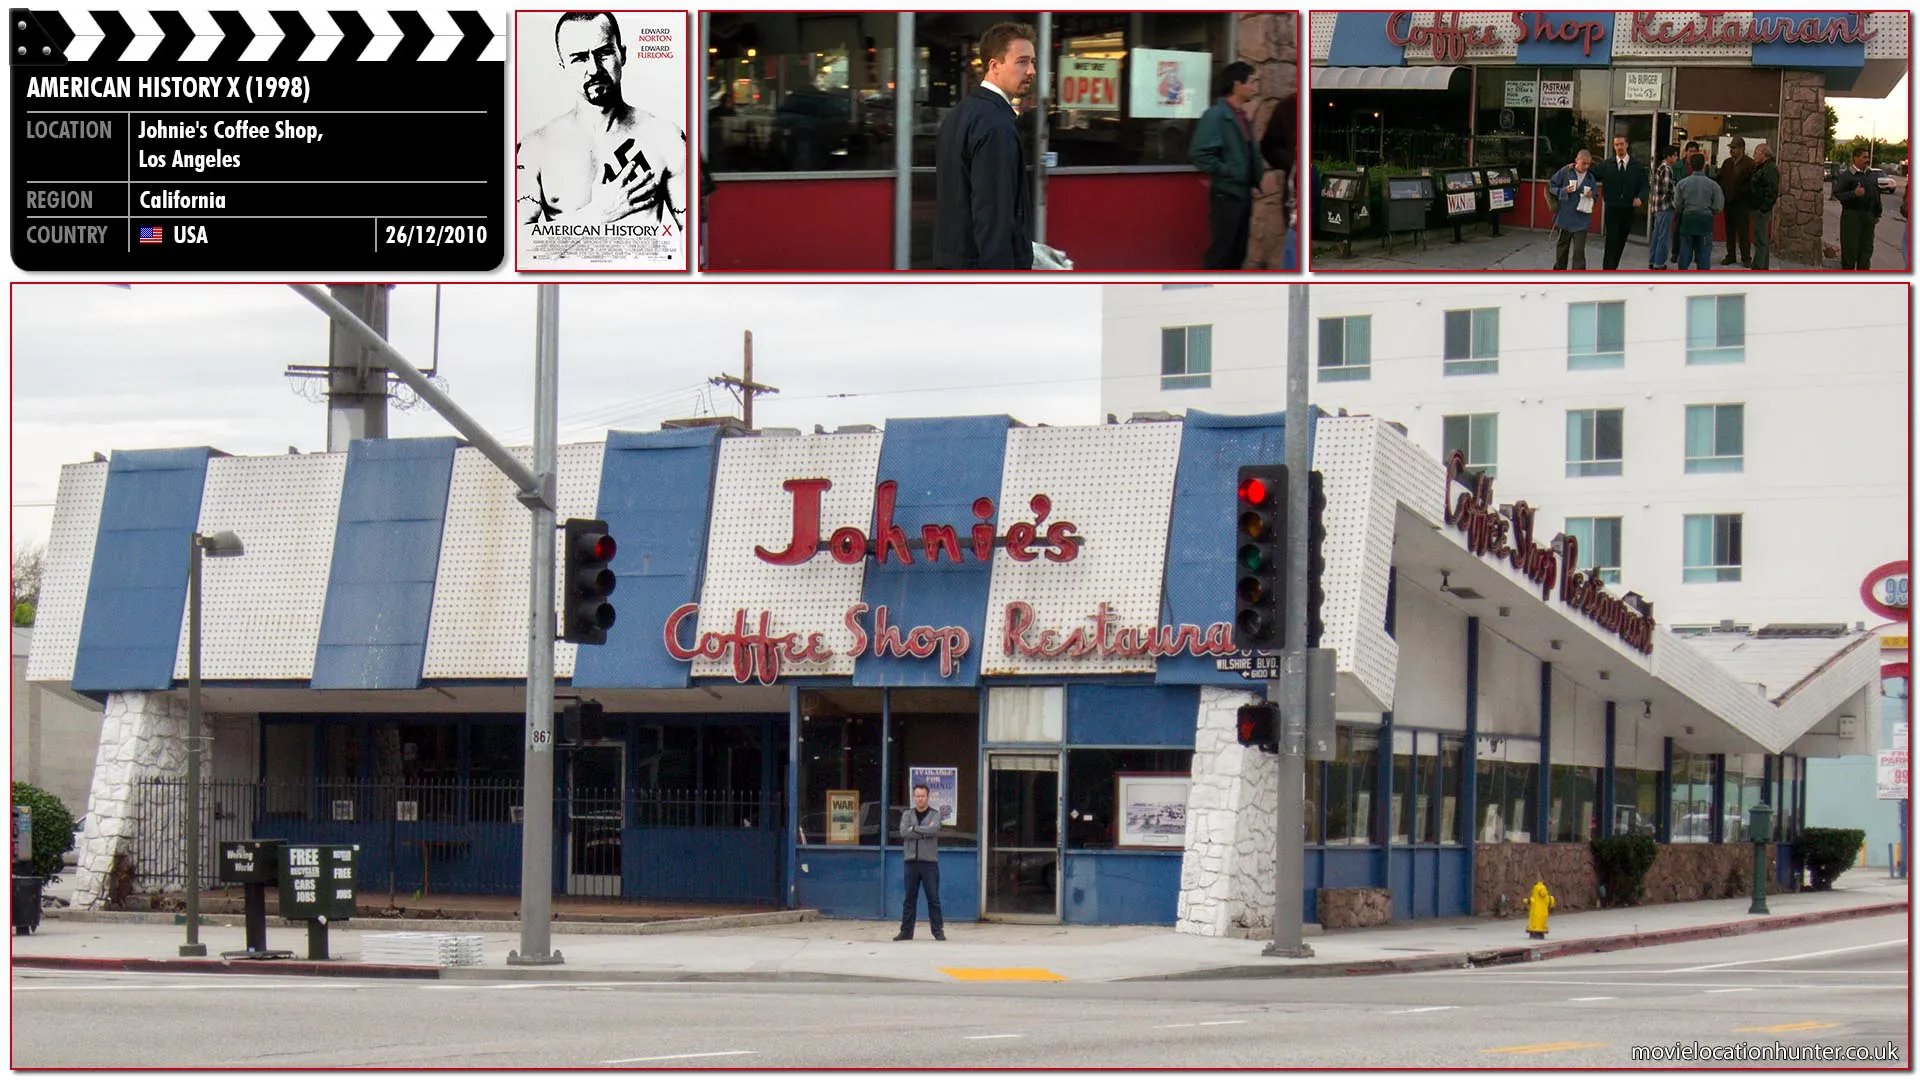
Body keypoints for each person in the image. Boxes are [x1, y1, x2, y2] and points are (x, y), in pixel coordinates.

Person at [517, 11, 686, 231]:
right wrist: (597, 215)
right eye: (579, 58)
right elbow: (517, 245)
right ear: (562, 66)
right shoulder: (536, 147)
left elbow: (692, 240)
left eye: (604, 53)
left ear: (622, 55)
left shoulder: (665, 138)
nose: (593, 69)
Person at [932, 22, 1037, 271]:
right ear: (994, 66)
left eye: (1033, 62)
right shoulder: (995, 125)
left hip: (953, 261)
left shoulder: (961, 113)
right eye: (1022, 61)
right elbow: (993, 215)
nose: (1032, 70)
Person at [1190, 61, 1263, 271]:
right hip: (1227, 194)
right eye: (1251, 82)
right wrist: (1228, 171)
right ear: (1236, 85)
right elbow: (1199, 154)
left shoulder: (1241, 116)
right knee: (1220, 254)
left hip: (1243, 193)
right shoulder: (1216, 115)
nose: (1255, 88)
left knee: (1238, 253)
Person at [895, 783, 945, 941]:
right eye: (917, 796)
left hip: (929, 863)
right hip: (911, 862)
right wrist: (923, 831)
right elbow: (903, 832)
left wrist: (914, 829)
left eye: (922, 796)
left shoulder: (935, 814)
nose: (920, 799)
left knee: (933, 898)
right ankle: (906, 932)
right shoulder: (907, 814)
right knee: (909, 899)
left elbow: (934, 829)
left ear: (927, 797)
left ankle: (938, 931)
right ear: (914, 797)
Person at [1593, 134, 1647, 271]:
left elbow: (1645, 186)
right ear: (1613, 146)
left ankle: (1613, 268)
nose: (1619, 147)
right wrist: (1574, 167)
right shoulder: (1606, 164)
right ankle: (1608, 272)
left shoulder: (1637, 165)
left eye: (1621, 144)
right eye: (1616, 145)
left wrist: (1640, 197)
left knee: (1621, 241)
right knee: (1611, 241)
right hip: (1612, 209)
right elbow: (1590, 173)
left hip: (1628, 209)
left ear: (1627, 145)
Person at [1546, 150, 1599, 270]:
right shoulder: (1566, 171)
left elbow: (1596, 196)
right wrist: (1563, 191)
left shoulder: (1590, 178)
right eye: (1583, 163)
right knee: (1562, 249)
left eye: (1588, 164)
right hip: (1564, 217)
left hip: (1581, 219)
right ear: (1576, 161)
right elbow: (1551, 186)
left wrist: (1592, 195)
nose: (1586, 167)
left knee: (1579, 251)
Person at [1834, 145, 1883, 270]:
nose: (1867, 159)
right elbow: (1838, 194)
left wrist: (1877, 213)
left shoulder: (1871, 174)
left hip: (1868, 217)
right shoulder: (1847, 175)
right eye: (1864, 157)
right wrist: (1853, 194)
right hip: (1852, 217)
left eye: (1868, 157)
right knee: (1850, 250)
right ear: (1855, 158)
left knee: (1866, 250)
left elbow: (1876, 194)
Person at [1673, 152, 1725, 270]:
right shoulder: (1714, 185)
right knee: (1704, 254)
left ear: (1690, 165)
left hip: (1688, 220)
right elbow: (1718, 206)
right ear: (1704, 165)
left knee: (1685, 252)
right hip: (1705, 221)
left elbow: (1677, 204)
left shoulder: (1682, 184)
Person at [1716, 136, 1755, 266]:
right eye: (1730, 148)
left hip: (1742, 203)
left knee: (1743, 232)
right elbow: (1720, 178)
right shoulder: (1727, 163)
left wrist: (1743, 191)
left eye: (1734, 148)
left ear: (1741, 149)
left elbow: (1753, 183)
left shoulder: (1749, 163)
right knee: (1730, 231)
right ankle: (1731, 255)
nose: (1731, 150)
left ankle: (1746, 258)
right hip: (1729, 202)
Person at [1669, 140, 1706, 267]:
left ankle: (1696, 255)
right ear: (1685, 152)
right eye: (1690, 151)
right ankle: (1675, 252)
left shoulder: (1701, 167)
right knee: (1678, 230)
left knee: (1697, 232)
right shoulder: (1677, 166)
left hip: (1696, 204)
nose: (1692, 154)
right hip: (1681, 203)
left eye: (1694, 151)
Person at [1748, 142, 1780, 270]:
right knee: (1759, 240)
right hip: (1757, 207)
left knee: (1761, 241)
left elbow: (1771, 190)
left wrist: (1763, 208)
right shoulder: (1762, 167)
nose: (1754, 155)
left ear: (1764, 154)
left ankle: (1760, 268)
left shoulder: (1769, 169)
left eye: (1756, 152)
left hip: (1761, 210)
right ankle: (1758, 266)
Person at [1646, 144, 1678, 270]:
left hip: (1657, 206)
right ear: (1669, 156)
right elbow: (1668, 189)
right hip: (1665, 206)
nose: (1676, 158)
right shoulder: (1667, 169)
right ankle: (1659, 263)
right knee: (1663, 236)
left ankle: (1653, 260)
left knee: (1657, 234)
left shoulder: (1660, 167)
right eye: (1675, 155)